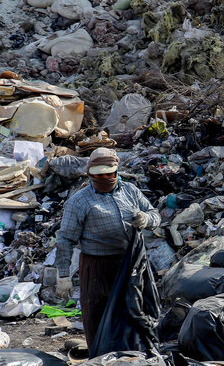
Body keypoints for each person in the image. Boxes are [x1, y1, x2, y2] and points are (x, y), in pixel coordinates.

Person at [55, 148, 160, 347]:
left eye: (109, 173)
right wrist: (63, 275)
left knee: (133, 311)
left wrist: (147, 219)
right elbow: (65, 239)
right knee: (98, 314)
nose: (105, 178)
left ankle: (132, 356)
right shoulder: (79, 202)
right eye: (99, 175)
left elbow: (154, 214)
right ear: (90, 175)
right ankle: (100, 360)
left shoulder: (130, 191)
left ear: (116, 172)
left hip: (130, 263)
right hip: (97, 267)